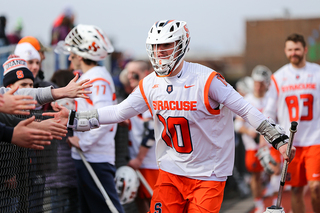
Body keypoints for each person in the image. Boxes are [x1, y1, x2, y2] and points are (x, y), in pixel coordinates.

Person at [48, 20, 295, 213]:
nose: (160, 52)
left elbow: (245, 109)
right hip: (171, 171)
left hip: (208, 173)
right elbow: (119, 111)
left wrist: (279, 139)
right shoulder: (151, 83)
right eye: (155, 46)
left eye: (166, 45)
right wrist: (74, 118)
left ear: (181, 45)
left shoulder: (206, 79)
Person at [55, 24, 123, 213]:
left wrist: (83, 142)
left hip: (95, 156)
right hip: (90, 155)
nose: (69, 57)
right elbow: (89, 109)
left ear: (81, 54)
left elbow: (104, 117)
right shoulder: (93, 76)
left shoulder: (96, 78)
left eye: (72, 53)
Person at [262, 33, 320, 213]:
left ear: (305, 50)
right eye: (290, 49)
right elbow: (269, 112)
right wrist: (266, 144)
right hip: (291, 143)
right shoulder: (278, 77)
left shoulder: (317, 73)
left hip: (315, 140)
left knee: (316, 188)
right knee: (295, 190)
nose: (293, 53)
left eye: (297, 49)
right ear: (285, 51)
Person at [234, 65, 282, 213]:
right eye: (256, 82)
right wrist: (250, 132)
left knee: (275, 170)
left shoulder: (271, 99)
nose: (258, 86)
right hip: (252, 146)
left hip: (269, 144)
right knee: (255, 176)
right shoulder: (247, 100)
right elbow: (237, 124)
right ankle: (259, 205)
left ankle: (275, 203)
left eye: (261, 83)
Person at [120, 60, 158, 212]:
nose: (130, 76)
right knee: (140, 202)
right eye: (128, 72)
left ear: (145, 74)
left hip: (150, 162)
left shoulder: (149, 94)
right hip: (139, 161)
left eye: (134, 72)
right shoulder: (135, 95)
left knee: (155, 203)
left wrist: (139, 158)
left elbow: (151, 130)